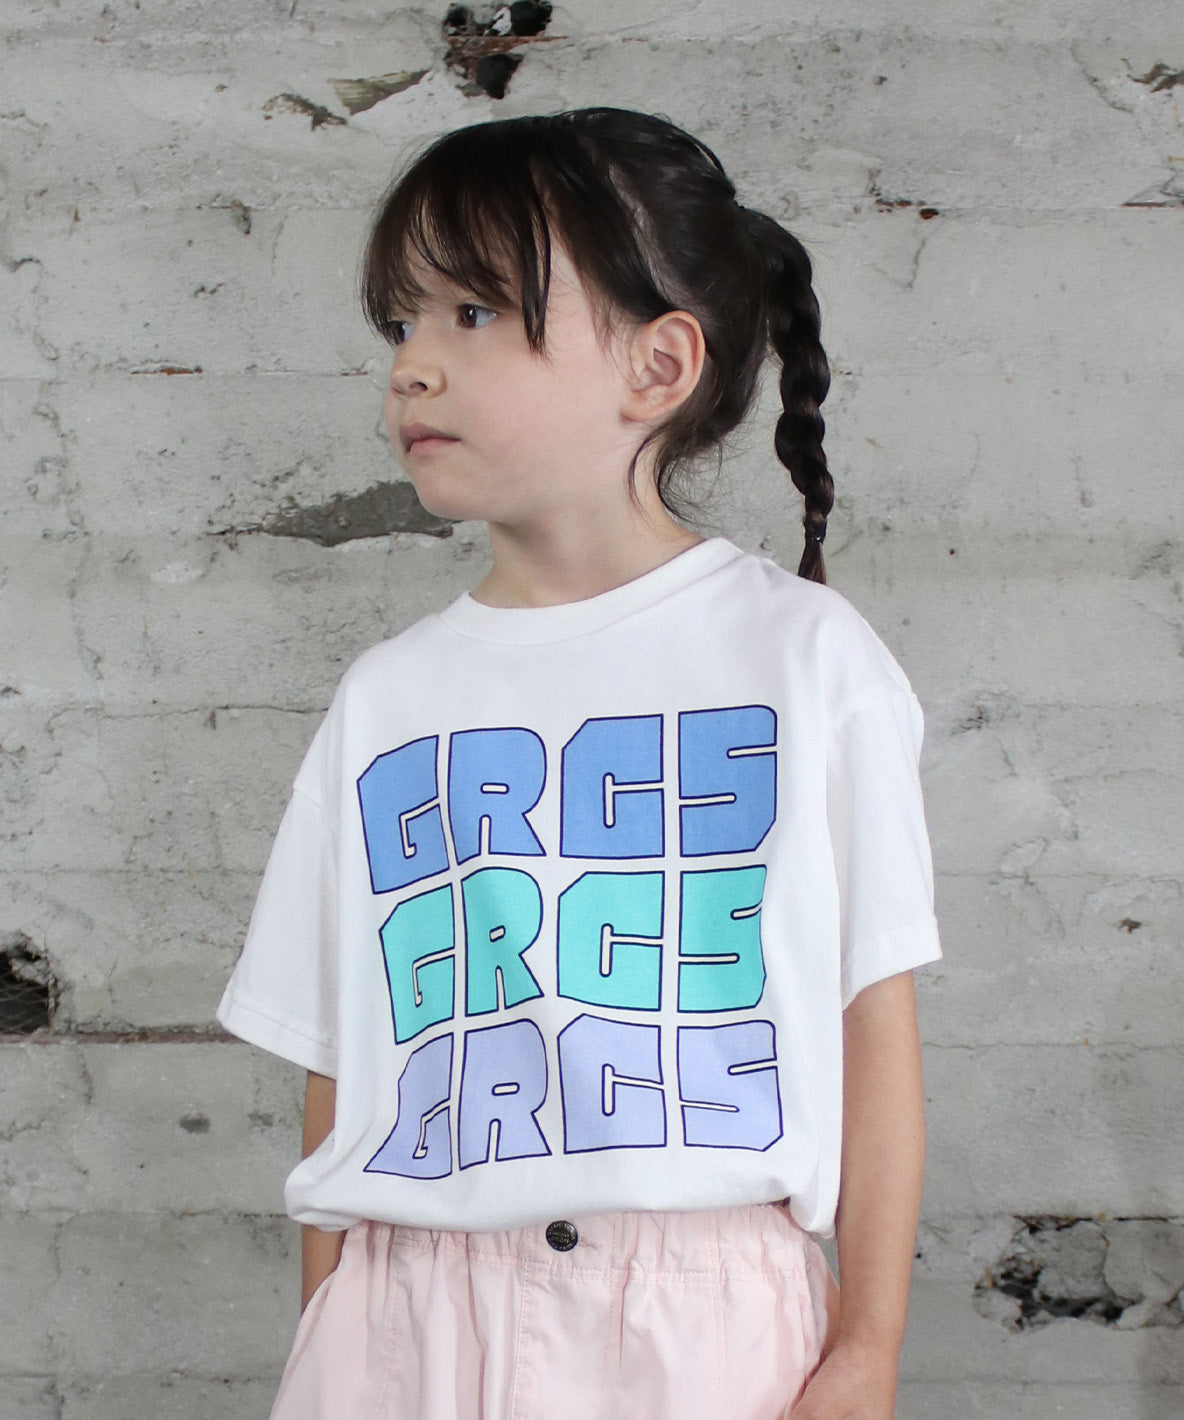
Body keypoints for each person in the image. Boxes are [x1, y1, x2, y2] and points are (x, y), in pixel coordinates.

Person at [216, 106, 943, 1420]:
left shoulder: (804, 660)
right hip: (410, 1316)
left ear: (657, 366)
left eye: (473, 313)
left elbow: (870, 1030)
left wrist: (869, 1345)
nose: (412, 367)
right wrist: (331, 1327)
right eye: (401, 323)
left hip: (709, 1324)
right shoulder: (388, 700)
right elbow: (341, 1054)